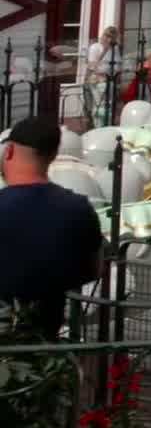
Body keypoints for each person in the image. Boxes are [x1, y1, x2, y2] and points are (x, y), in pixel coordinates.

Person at [0, 116, 105, 337]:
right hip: (45, 343)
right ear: (53, 156)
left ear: (8, 151)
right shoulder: (79, 209)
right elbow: (94, 269)